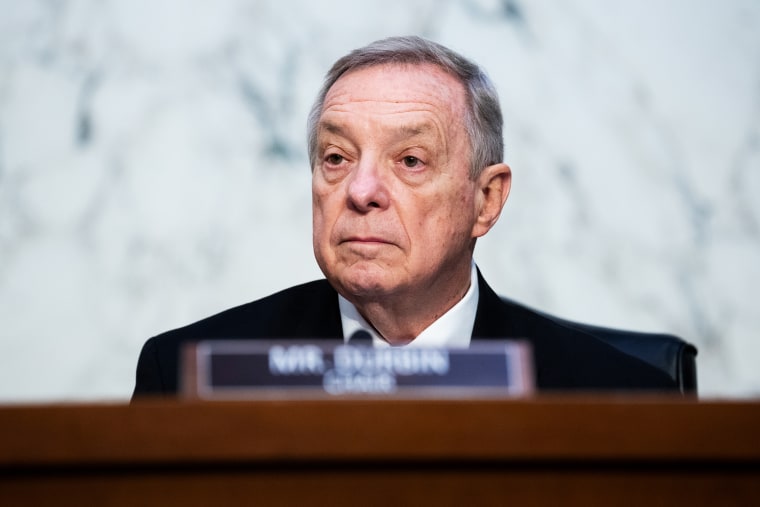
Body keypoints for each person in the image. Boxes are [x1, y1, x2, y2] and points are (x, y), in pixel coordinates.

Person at [133, 36, 679, 396]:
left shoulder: (616, 394)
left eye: (411, 160)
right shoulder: (187, 376)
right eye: (336, 158)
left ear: (486, 200)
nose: (361, 190)